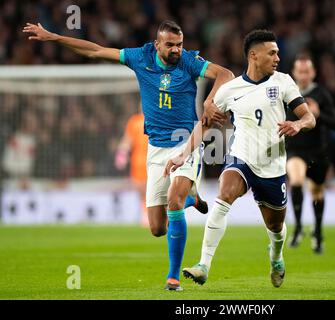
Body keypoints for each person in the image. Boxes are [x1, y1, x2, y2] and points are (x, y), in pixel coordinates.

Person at [23, 20, 234, 291]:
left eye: (179, 45)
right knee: (157, 228)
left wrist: (209, 101)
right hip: (156, 148)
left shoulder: (190, 62)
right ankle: (191, 198)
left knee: (173, 201)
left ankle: (173, 277)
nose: (176, 50)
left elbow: (225, 74)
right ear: (157, 44)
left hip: (186, 143)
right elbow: (95, 51)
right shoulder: (139, 57)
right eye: (169, 45)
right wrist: (53, 37)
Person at [165, 30, 315, 287]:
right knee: (224, 195)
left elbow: (309, 117)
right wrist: (183, 154)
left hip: (273, 167)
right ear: (254, 56)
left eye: (278, 52)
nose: (278, 57)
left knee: (276, 229)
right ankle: (204, 264)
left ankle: (276, 256)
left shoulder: (283, 82)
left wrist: (298, 124)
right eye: (272, 53)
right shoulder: (230, 90)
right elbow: (205, 125)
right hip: (241, 158)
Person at [115, 113, 208, 227]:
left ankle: (162, 215)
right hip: (138, 161)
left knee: (160, 189)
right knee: (141, 189)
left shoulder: (159, 118)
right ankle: (148, 214)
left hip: (157, 159)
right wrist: (122, 153)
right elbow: (127, 140)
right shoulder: (134, 121)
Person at [285, 56, 335, 253]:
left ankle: (317, 231)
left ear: (313, 73)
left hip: (318, 151)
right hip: (295, 150)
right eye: (300, 71)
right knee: (297, 181)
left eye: (307, 71)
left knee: (317, 191)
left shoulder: (321, 94)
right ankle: (298, 227)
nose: (303, 75)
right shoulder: (287, 92)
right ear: (294, 72)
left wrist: (318, 114)